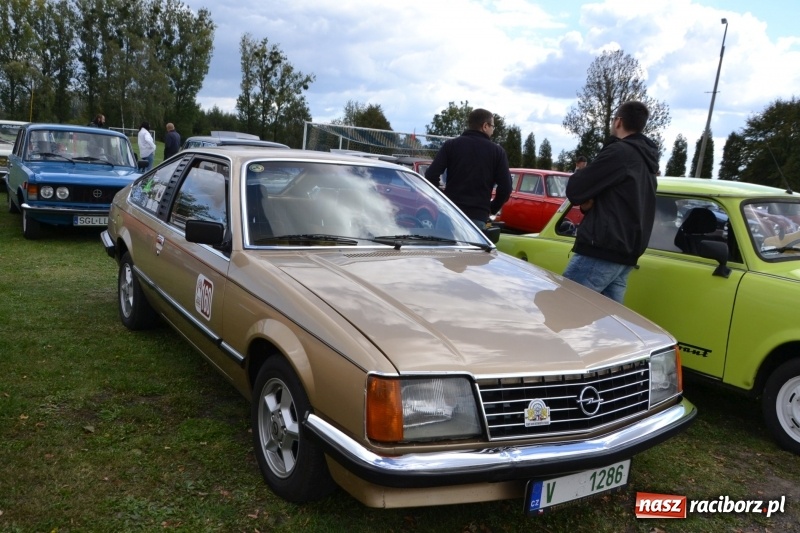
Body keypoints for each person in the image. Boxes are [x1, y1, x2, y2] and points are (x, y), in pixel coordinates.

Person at [561, 101, 659, 303]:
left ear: (618, 121)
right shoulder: (646, 160)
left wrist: (586, 188)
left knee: (563, 309)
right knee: (607, 326)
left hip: (603, 249)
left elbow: (576, 189)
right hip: (626, 252)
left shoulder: (620, 152)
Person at [424, 108, 511, 228]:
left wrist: (442, 198)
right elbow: (506, 188)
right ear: (485, 126)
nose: (492, 130)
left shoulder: (451, 145)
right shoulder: (497, 152)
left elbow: (430, 175)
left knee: (444, 247)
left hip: (450, 211)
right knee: (472, 247)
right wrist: (492, 208)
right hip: (477, 217)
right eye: (492, 126)